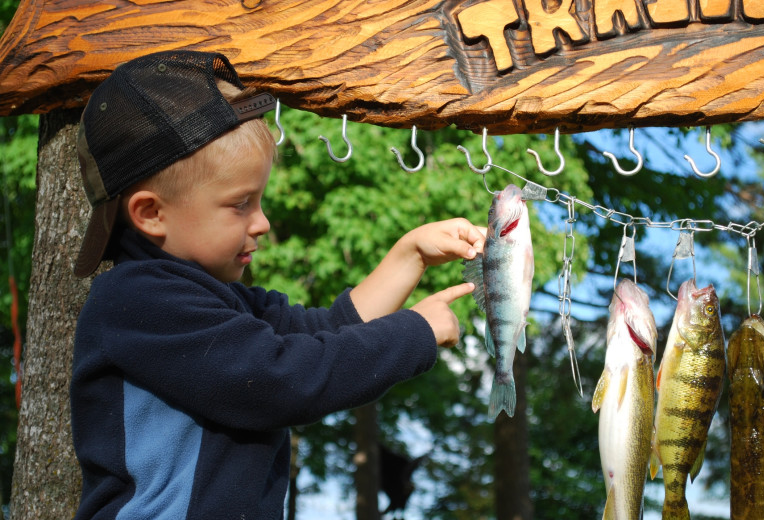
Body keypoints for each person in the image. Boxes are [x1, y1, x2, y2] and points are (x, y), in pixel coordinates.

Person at [69, 50, 484, 519]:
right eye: (240, 204)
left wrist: (409, 256)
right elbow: (278, 379)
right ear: (151, 214)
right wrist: (414, 333)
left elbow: (328, 329)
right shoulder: (136, 301)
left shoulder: (221, 302)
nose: (262, 222)